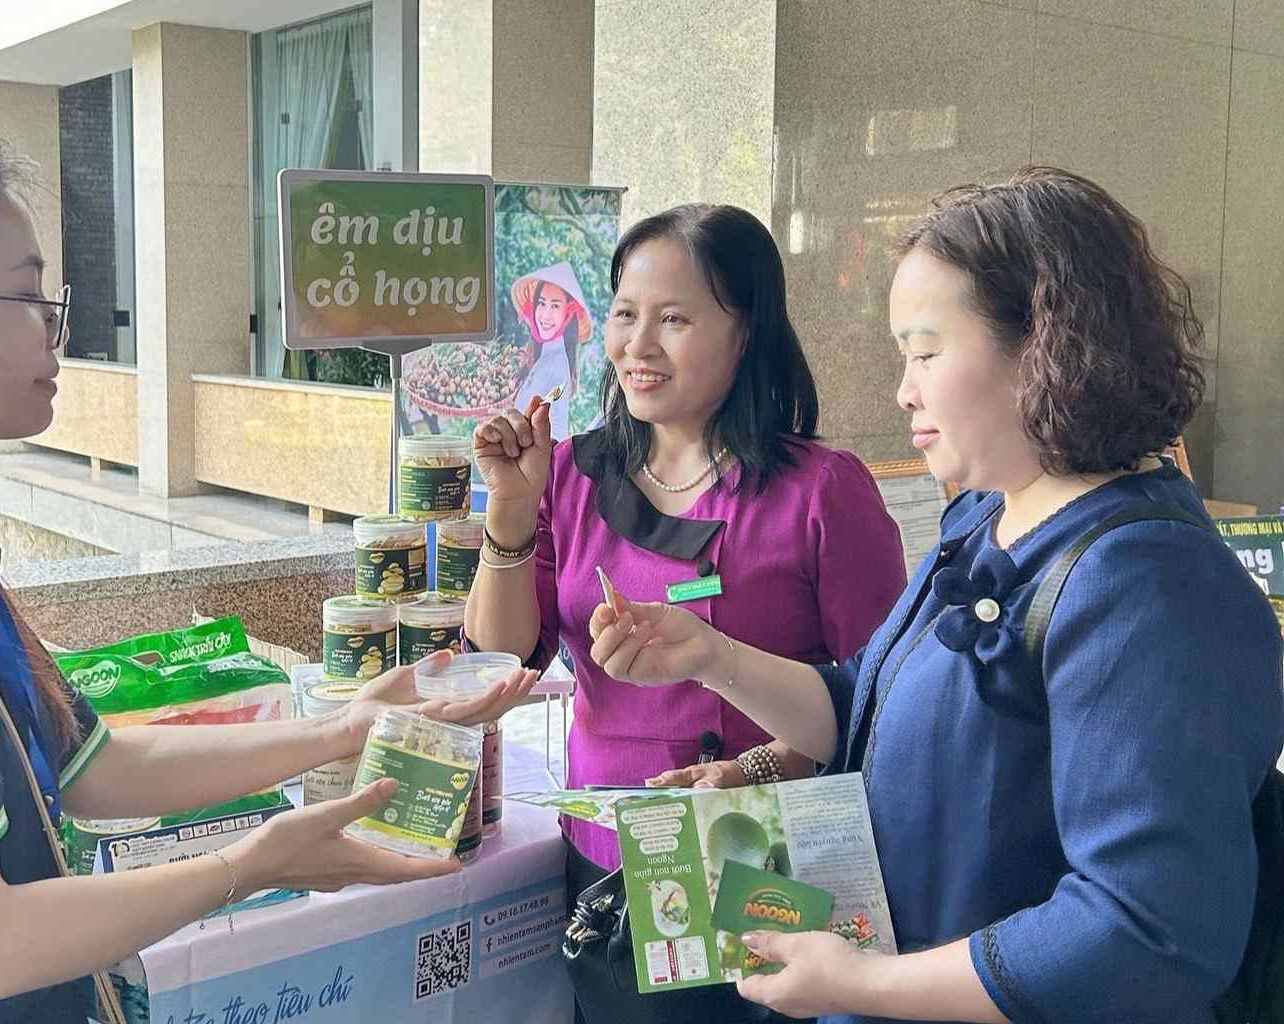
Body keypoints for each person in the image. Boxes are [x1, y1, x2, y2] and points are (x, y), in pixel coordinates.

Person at [0, 118, 536, 1023]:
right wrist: (252, 866)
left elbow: (93, 767)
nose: (58, 331)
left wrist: (342, 729)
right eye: (25, 297)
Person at [588, 169, 1284, 1024]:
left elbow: (1149, 928)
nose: (903, 391)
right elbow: (863, 705)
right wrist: (713, 657)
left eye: (925, 353)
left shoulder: (1147, 586)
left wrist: (861, 983)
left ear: (1046, 347)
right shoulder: (990, 516)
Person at [464, 203, 907, 1022]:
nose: (639, 345)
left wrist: (756, 769)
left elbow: (887, 702)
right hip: (606, 856)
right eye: (626, 315)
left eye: (675, 319)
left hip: (759, 857)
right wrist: (511, 513)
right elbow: (501, 661)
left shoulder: (823, 491)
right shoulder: (571, 471)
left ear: (747, 333)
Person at [509, 261, 593, 439]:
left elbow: (555, 436)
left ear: (568, 313)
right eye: (542, 303)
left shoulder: (556, 364)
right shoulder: (544, 356)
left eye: (555, 306)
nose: (545, 315)